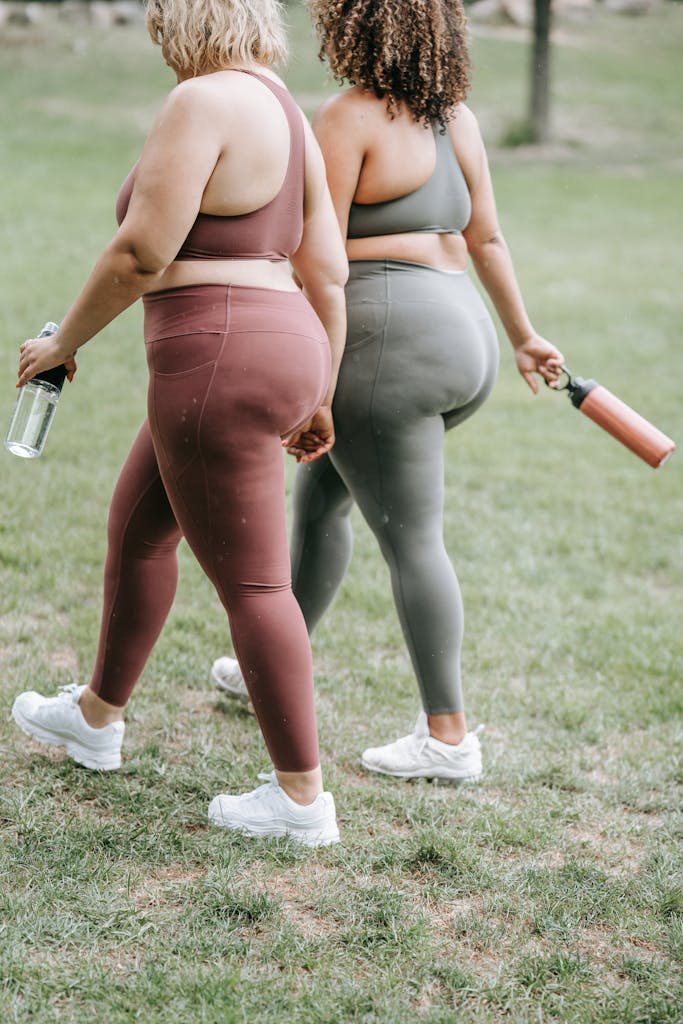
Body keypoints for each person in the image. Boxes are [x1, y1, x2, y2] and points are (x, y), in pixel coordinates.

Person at [10, 0, 348, 847]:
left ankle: (301, 799)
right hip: (287, 344)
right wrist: (320, 388)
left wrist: (61, 343)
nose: (158, 33)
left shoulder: (201, 102)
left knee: (257, 585)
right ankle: (95, 718)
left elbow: (140, 251)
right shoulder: (282, 107)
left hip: (216, 356)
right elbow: (330, 271)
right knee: (138, 529)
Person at [211, 0, 564, 782]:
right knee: (323, 499)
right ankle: (270, 657)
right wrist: (521, 335)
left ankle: (448, 738)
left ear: (357, 27)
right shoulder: (456, 120)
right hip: (459, 337)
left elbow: (319, 263)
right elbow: (487, 238)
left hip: (387, 349)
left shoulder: (346, 117)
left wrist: (317, 386)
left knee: (410, 538)